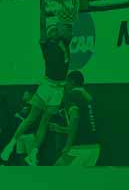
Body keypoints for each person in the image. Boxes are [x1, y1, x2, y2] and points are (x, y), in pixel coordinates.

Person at [1, 14, 76, 166]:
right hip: (47, 86)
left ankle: (33, 153)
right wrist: (43, 13)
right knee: (31, 118)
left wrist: (65, 13)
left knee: (45, 121)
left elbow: (68, 29)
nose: (54, 31)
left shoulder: (64, 42)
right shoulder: (45, 45)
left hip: (59, 89)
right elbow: (42, 28)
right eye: (51, 30)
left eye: (55, 29)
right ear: (48, 35)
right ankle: (10, 145)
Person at [48, 71, 101, 166]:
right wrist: (60, 129)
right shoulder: (88, 98)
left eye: (66, 82)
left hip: (78, 148)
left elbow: (75, 118)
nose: (65, 85)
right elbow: (80, 126)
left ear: (71, 81)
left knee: (56, 173)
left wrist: (67, 146)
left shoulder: (71, 95)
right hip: (95, 148)